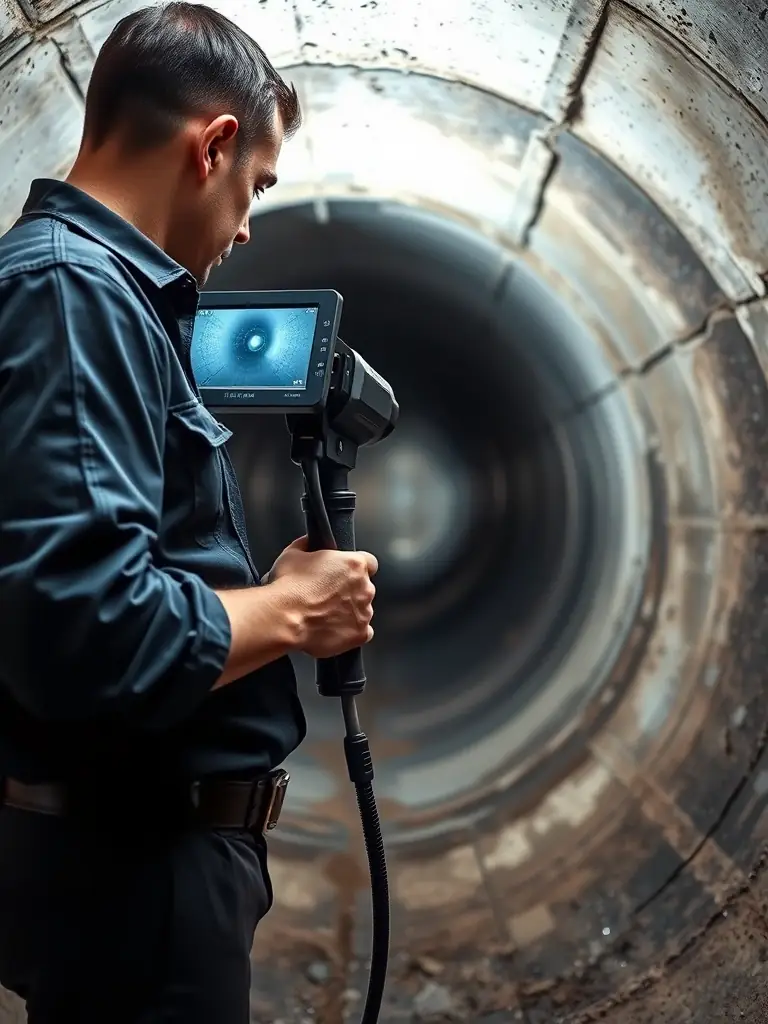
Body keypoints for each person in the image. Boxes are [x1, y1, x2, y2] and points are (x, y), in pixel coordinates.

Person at [0, 4, 378, 1022]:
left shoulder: (92, 293)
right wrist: (294, 610)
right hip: (134, 880)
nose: (249, 224)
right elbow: (89, 628)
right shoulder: (75, 295)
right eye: (256, 185)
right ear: (212, 145)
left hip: (129, 867)